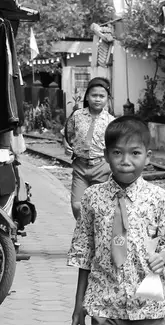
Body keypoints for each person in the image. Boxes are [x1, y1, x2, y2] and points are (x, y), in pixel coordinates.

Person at [68, 116, 165, 325]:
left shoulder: (158, 199)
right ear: (106, 155)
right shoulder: (93, 198)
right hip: (105, 304)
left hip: (148, 305)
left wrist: (164, 255)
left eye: (135, 153)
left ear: (148, 156)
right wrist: (79, 304)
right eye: (117, 153)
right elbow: (84, 254)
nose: (125, 161)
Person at [63, 77, 115, 220]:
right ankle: (83, 233)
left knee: (99, 207)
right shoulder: (77, 116)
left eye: (101, 96)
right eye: (94, 95)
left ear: (107, 99)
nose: (97, 99)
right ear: (87, 96)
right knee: (77, 205)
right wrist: (66, 145)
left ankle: (96, 236)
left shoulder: (111, 121)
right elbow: (67, 134)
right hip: (80, 167)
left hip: (102, 167)